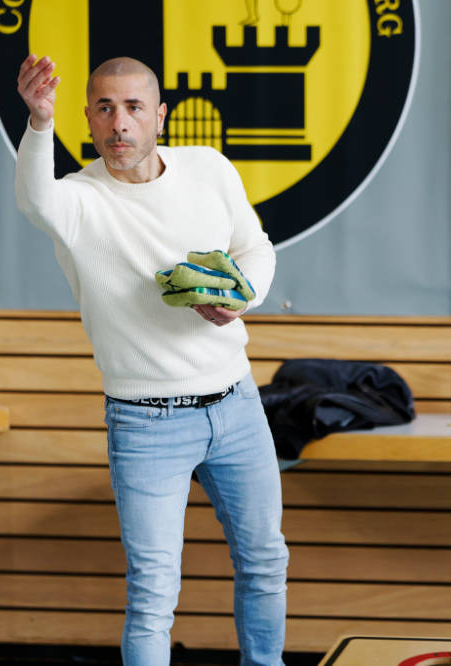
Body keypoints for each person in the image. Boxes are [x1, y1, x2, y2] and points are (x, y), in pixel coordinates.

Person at [15, 54, 288, 666]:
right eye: (105, 108)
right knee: (153, 595)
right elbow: (33, 201)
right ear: (87, 118)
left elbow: (255, 247)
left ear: (159, 116)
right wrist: (38, 122)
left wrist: (241, 297)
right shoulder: (77, 199)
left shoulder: (208, 167)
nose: (120, 124)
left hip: (238, 405)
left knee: (266, 561)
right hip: (145, 422)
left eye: (134, 107)